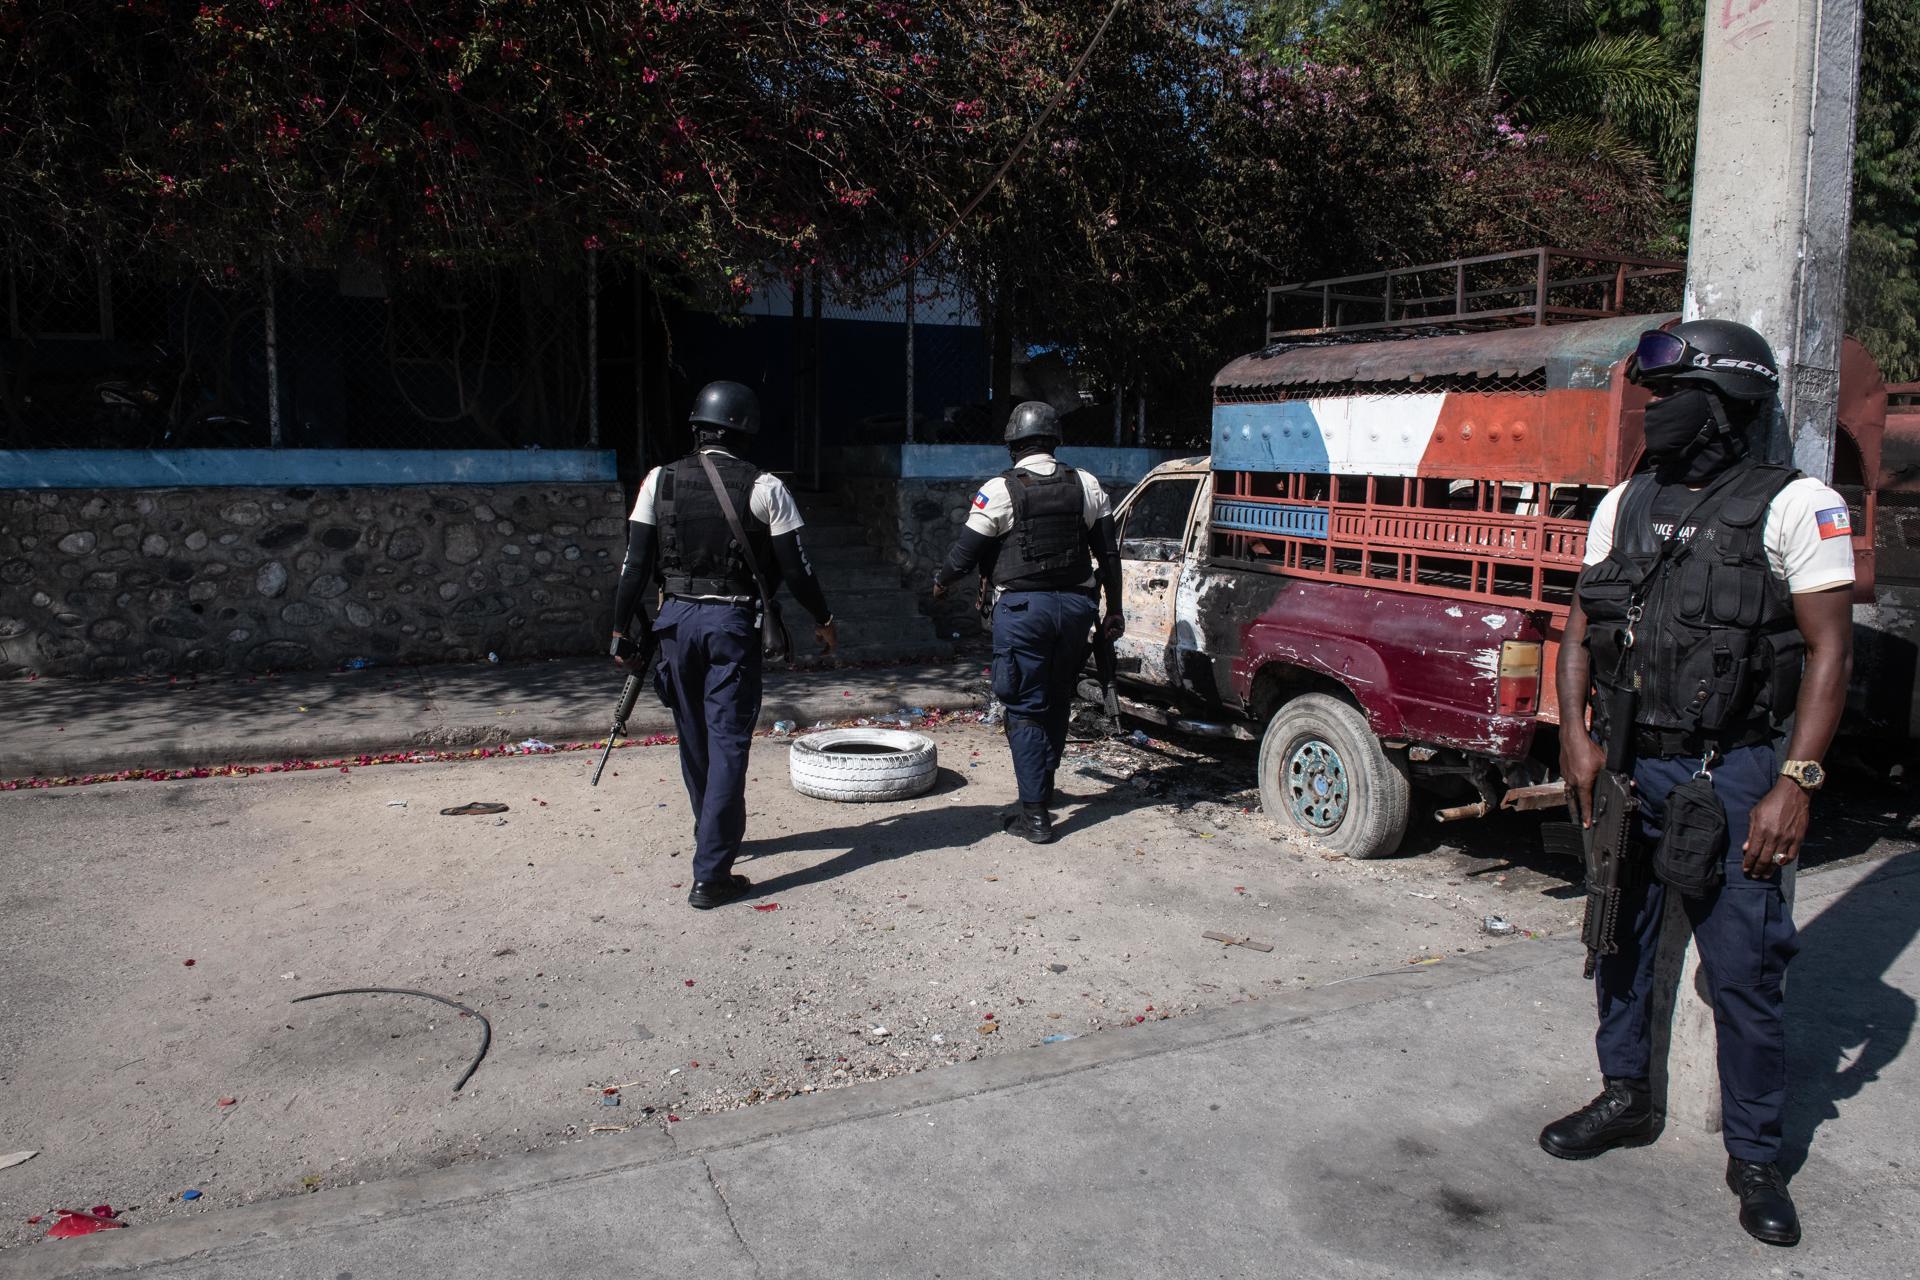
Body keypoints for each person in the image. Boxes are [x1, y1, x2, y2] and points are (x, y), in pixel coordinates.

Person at [1550, 319, 1855, 1247]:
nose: (1655, 413)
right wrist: (1574, 734)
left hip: (1738, 770)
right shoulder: (1624, 504)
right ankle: (1625, 1095)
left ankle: (1757, 1155)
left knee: (1746, 973)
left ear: (1725, 404)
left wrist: (1795, 781)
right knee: (1619, 938)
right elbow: (1577, 629)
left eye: (1671, 395)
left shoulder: (1797, 504)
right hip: (1632, 762)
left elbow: (1830, 650)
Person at [609, 381, 837, 909]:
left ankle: (709, 834)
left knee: (694, 738)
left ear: (697, 426)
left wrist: (620, 629)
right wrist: (823, 618)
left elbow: (634, 565)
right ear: (747, 431)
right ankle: (711, 875)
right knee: (730, 740)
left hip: (673, 623)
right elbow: (798, 570)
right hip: (731, 625)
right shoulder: (766, 487)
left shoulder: (657, 481)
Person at [931, 401, 1124, 843]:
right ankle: (1045, 786)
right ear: (1054, 440)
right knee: (1057, 698)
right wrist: (1114, 610)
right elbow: (1108, 555)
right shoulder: (1087, 484)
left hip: (1023, 613)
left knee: (1023, 708)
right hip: (1077, 610)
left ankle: (1034, 816)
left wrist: (941, 584)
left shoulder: (999, 490)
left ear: (1013, 445)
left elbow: (964, 554)